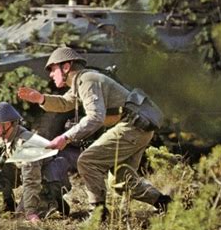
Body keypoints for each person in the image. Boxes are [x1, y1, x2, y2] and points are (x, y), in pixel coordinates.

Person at [18, 46, 172, 218]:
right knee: (122, 178)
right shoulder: (82, 82)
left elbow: (95, 117)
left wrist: (66, 137)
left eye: (53, 69)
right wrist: (41, 99)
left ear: (66, 67)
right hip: (138, 127)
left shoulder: (88, 80)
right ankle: (166, 204)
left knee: (86, 161)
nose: (51, 75)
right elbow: (65, 103)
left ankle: (98, 213)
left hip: (133, 126)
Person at [0, 102, 71, 223]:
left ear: (7, 124)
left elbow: (32, 181)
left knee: (21, 218)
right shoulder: (8, 133)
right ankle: (7, 205)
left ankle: (52, 201)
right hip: (34, 176)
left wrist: (29, 212)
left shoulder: (26, 144)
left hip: (46, 181)